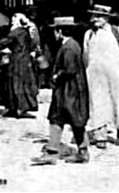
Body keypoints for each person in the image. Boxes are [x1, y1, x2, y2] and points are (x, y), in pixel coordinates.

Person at [33, 17, 90, 165]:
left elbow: (69, 70)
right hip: (71, 89)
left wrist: (56, 76)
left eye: (55, 30)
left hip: (68, 90)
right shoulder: (72, 45)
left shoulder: (69, 47)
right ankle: (81, 152)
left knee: (60, 118)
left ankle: (53, 153)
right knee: (71, 119)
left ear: (59, 32)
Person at [83, 5, 119, 149]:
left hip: (115, 74)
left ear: (106, 18)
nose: (94, 19)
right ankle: (100, 135)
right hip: (95, 75)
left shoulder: (118, 32)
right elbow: (86, 55)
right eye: (93, 16)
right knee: (98, 102)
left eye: (98, 16)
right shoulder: (89, 34)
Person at [0, 11, 39, 118]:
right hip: (26, 60)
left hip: (16, 61)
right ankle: (20, 107)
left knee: (13, 85)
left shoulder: (15, 33)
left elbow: (2, 43)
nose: (11, 23)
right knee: (23, 85)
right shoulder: (27, 32)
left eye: (13, 20)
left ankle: (15, 108)